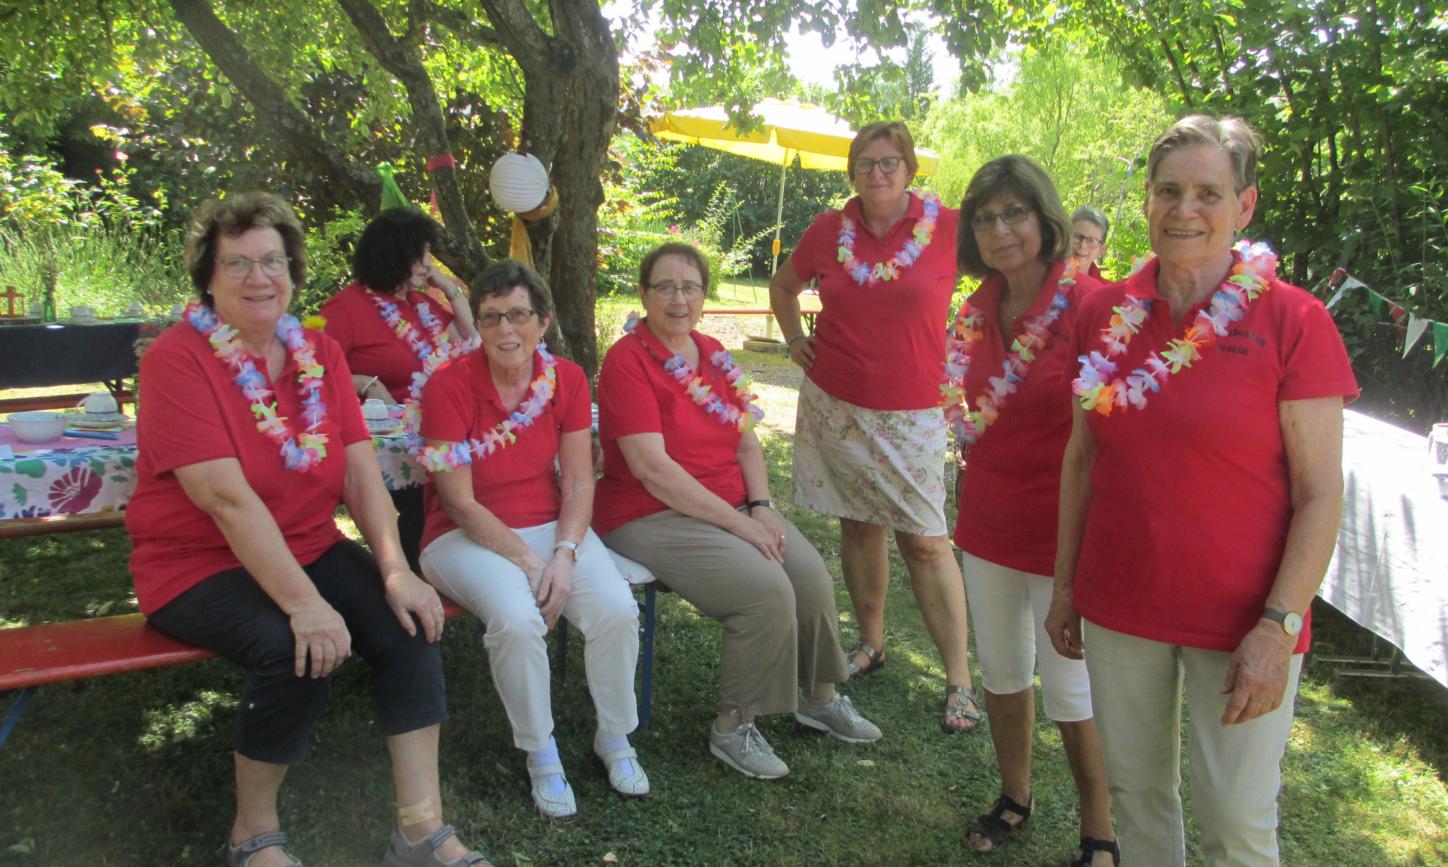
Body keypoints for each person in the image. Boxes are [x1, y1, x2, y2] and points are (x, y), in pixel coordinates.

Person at [126, 192, 487, 867]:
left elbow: (359, 475)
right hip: (194, 563)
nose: (259, 277)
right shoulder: (176, 359)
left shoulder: (317, 348)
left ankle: (420, 829)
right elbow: (227, 501)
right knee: (290, 644)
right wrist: (306, 604)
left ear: (294, 272)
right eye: (238, 263)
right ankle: (253, 835)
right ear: (208, 275)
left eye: (273, 261)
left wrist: (396, 571)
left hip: (309, 544)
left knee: (409, 621)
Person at [1046, 115, 1357, 866]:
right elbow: (1083, 458)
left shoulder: (1295, 320)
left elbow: (1321, 494)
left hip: (1245, 620)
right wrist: (1065, 588)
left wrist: (1277, 628)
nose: (1185, 209)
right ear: (1147, 202)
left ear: (1244, 206)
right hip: (1123, 601)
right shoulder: (1103, 311)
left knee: (1237, 822)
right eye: (1168, 191)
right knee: (1138, 799)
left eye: (1208, 192)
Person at [596, 242, 882, 780]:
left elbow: (746, 442)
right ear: (643, 294)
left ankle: (817, 698)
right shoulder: (627, 361)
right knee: (765, 590)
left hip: (733, 505)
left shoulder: (716, 355)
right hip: (648, 512)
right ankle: (733, 726)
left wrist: (763, 508)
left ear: (704, 295)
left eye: (690, 287)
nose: (678, 299)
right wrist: (740, 526)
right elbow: (653, 470)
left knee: (811, 577)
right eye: (665, 286)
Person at [768, 121, 980, 733]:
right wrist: (792, 340)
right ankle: (871, 642)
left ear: (910, 169)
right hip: (838, 401)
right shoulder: (829, 231)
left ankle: (960, 680)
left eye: (889, 162)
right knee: (858, 526)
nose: (877, 172)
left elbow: (1005, 276)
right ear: (852, 171)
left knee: (925, 539)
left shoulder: (950, 227)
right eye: (865, 162)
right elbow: (785, 286)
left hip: (914, 409)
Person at [417, 260, 645, 819]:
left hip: (551, 526)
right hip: (461, 537)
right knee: (518, 621)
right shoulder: (448, 386)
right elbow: (459, 502)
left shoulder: (565, 379)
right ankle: (542, 754)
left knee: (617, 609)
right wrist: (527, 562)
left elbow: (577, 481)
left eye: (518, 315)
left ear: (543, 322)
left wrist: (564, 555)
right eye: (491, 317)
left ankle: (614, 738)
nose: (505, 330)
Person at [944, 156, 1115, 866]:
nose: (1000, 229)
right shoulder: (975, 309)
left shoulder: (1091, 304)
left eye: (1014, 212)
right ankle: (1015, 794)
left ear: (1044, 218)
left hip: (1065, 528)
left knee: (1073, 685)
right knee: (1004, 669)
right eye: (985, 217)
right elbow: (965, 410)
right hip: (987, 521)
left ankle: (1099, 826)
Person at [322, 208, 479, 570]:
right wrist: (366, 384)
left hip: (436, 427)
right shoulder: (346, 308)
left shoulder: (421, 305)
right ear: (397, 255)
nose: (428, 263)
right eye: (422, 254)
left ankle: (449, 572)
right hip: (380, 437)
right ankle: (412, 581)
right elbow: (311, 372)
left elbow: (471, 345)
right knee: (420, 507)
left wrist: (451, 291)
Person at [1069, 206, 1110, 279]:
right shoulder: (1044, 276)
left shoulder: (1105, 289)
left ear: (1101, 250)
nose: (1082, 245)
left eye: (1091, 240)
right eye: (1077, 236)